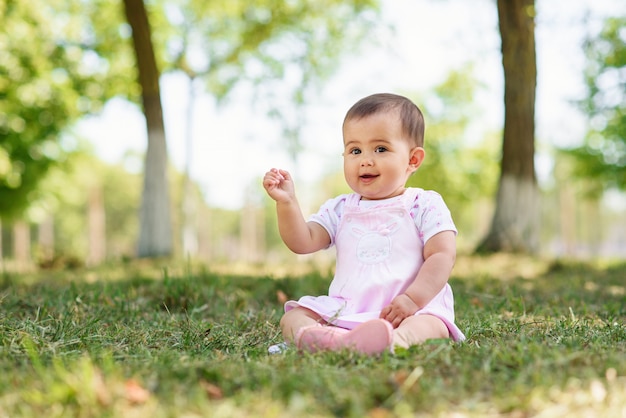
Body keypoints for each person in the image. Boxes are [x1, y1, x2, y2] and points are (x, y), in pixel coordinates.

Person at [262, 93, 465, 355]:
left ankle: (393, 342)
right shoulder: (341, 208)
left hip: (408, 310)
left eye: (380, 149)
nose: (365, 160)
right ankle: (333, 339)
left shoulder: (423, 203)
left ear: (413, 159)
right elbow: (303, 242)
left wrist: (412, 300)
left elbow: (442, 254)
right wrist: (287, 202)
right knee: (293, 317)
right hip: (348, 311)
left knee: (432, 325)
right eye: (355, 150)